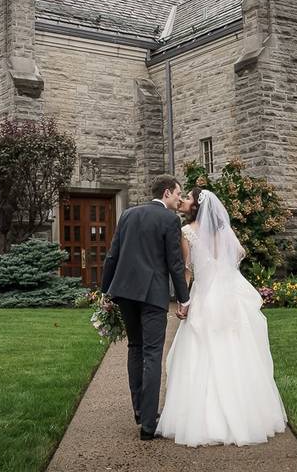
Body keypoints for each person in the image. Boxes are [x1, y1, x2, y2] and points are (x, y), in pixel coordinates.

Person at [156, 187, 287, 446]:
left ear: (196, 206)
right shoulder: (223, 230)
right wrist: (223, 268)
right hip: (227, 293)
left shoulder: (187, 232)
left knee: (201, 348)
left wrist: (184, 301)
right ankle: (246, 414)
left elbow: (187, 271)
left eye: (189, 198)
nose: (184, 200)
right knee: (235, 347)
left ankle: (202, 419)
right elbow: (239, 252)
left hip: (205, 293)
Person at [101, 174, 191, 441]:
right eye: (177, 193)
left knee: (135, 348)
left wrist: (105, 291)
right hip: (152, 295)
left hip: (125, 293)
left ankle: (140, 410)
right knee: (152, 354)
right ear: (165, 193)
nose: (179, 198)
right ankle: (149, 425)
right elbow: (175, 263)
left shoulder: (128, 214)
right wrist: (184, 298)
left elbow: (112, 255)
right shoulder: (169, 220)